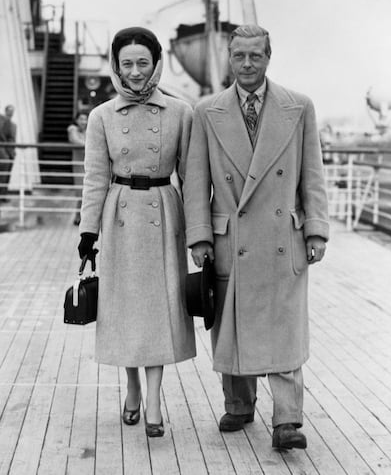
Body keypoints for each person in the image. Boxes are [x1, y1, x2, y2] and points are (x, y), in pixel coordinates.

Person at [183, 24, 329, 450]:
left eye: (256, 56)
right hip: (231, 238)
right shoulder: (206, 111)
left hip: (284, 235)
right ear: (229, 57)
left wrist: (316, 229)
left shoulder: (298, 107)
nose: (247, 64)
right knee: (232, 322)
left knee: (284, 327)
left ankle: (288, 420)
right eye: (239, 56)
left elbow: (312, 176)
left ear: (269, 57)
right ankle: (239, 404)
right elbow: (196, 182)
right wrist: (199, 237)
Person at [77, 27, 195, 438]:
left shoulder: (181, 113)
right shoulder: (102, 116)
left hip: (164, 214)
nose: (135, 71)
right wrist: (88, 233)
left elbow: (193, 179)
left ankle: (156, 400)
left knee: (159, 310)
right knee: (125, 309)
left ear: (156, 64)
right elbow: (95, 178)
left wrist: (198, 234)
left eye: (142, 62)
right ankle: (131, 387)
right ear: (116, 66)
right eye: (127, 63)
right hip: (120, 215)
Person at [67, 111, 88, 225]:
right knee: (81, 191)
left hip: (90, 164)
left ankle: (81, 217)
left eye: (85, 119)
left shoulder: (89, 130)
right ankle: (77, 216)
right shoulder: (72, 129)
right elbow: (76, 140)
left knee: (88, 192)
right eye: (81, 119)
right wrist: (91, 144)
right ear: (76, 120)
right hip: (79, 164)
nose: (83, 122)